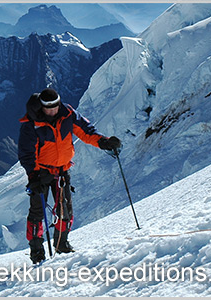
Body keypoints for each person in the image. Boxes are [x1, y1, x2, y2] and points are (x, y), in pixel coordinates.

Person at [17, 88, 121, 264]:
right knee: (37, 212)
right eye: (48, 108)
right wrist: (33, 177)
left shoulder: (68, 114)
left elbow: (86, 131)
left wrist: (103, 142)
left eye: (55, 107)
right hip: (40, 172)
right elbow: (27, 153)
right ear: (41, 107)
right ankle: (36, 251)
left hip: (62, 170)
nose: (52, 111)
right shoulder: (32, 124)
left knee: (64, 209)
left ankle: (61, 244)